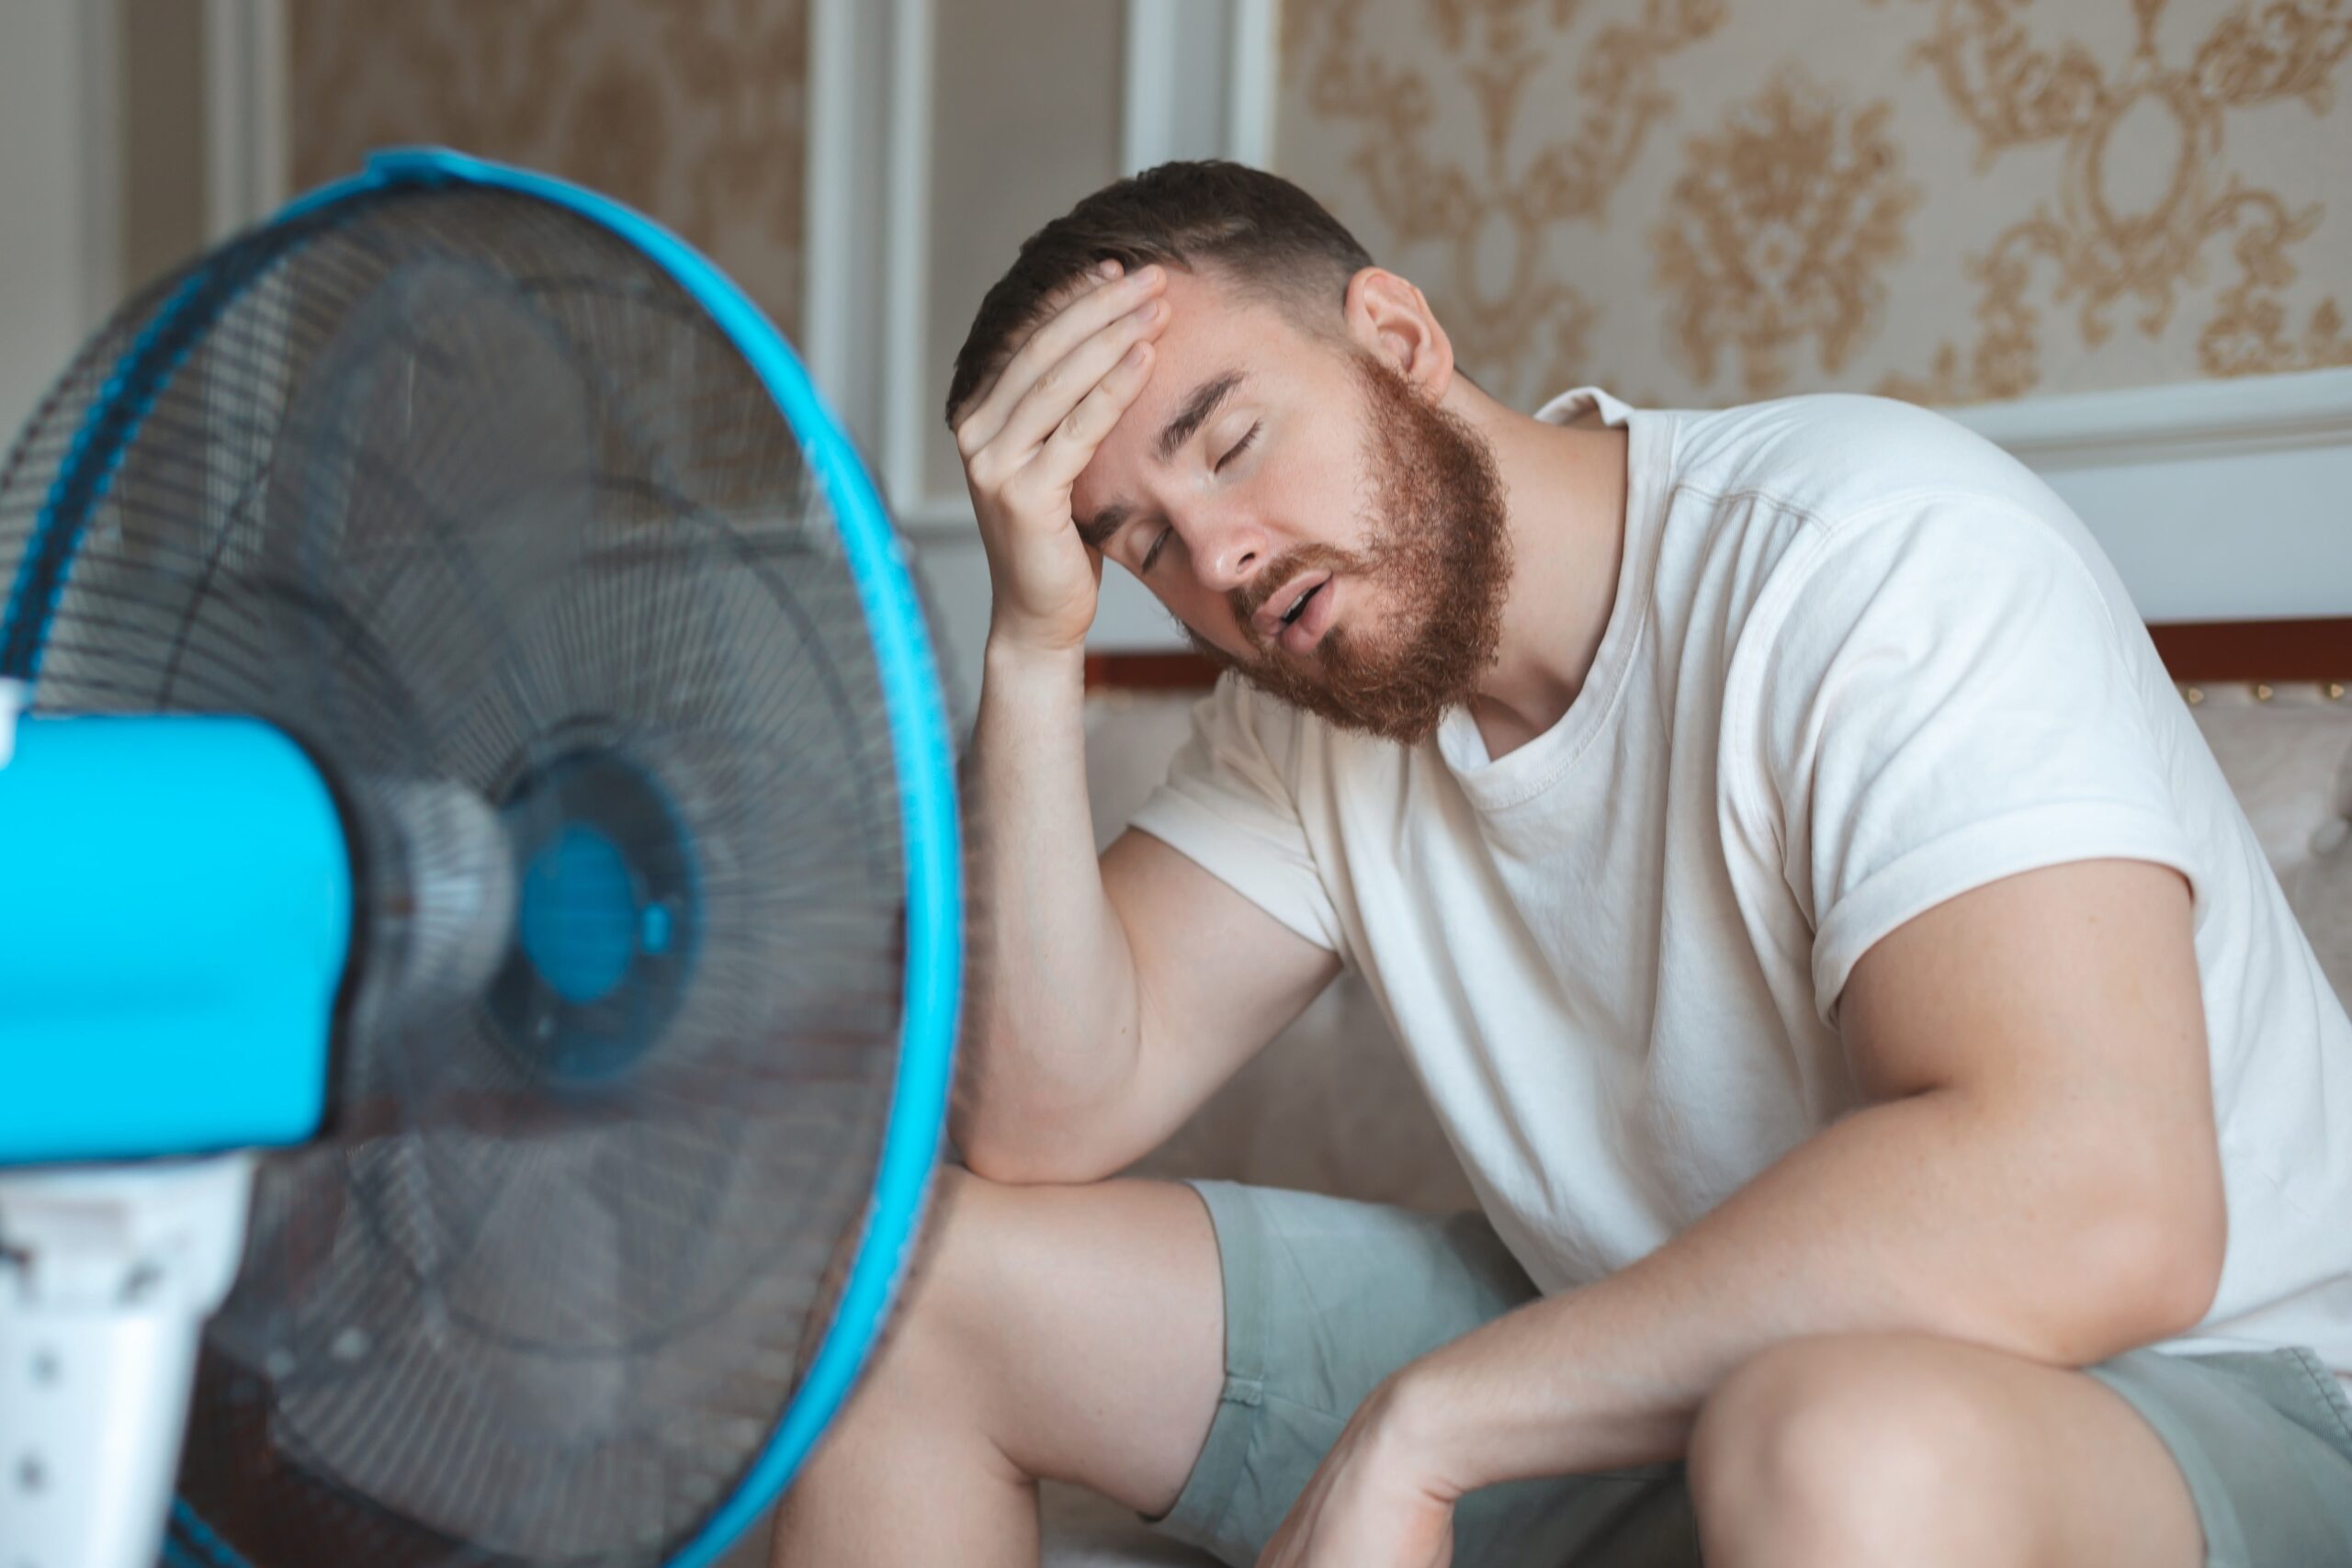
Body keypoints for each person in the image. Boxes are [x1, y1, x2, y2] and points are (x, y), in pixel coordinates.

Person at [772, 160, 2352, 1568]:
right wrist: (1037, 646)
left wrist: (1436, 1424)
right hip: (1660, 1379)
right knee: (909, 1290)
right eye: (1142, 545)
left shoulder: (1869, 555)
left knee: (1835, 1444)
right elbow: (1042, 1118)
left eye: (1235, 441)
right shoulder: (1319, 711)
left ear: (1396, 338)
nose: (1224, 559)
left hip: (2180, 1400)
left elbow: (2100, 1202)